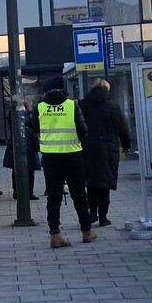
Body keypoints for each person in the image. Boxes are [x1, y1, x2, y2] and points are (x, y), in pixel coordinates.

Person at [37, 75, 95, 248]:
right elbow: (83, 130)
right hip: (73, 156)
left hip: (50, 158)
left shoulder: (39, 107)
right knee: (79, 195)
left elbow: (34, 127)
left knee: (53, 198)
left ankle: (55, 236)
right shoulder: (72, 105)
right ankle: (87, 232)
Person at [79, 77, 133, 227]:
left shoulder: (83, 105)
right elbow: (123, 129)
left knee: (91, 182)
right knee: (104, 182)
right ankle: (103, 217)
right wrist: (126, 146)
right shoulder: (114, 106)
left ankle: (92, 214)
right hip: (108, 149)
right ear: (107, 90)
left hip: (87, 148)